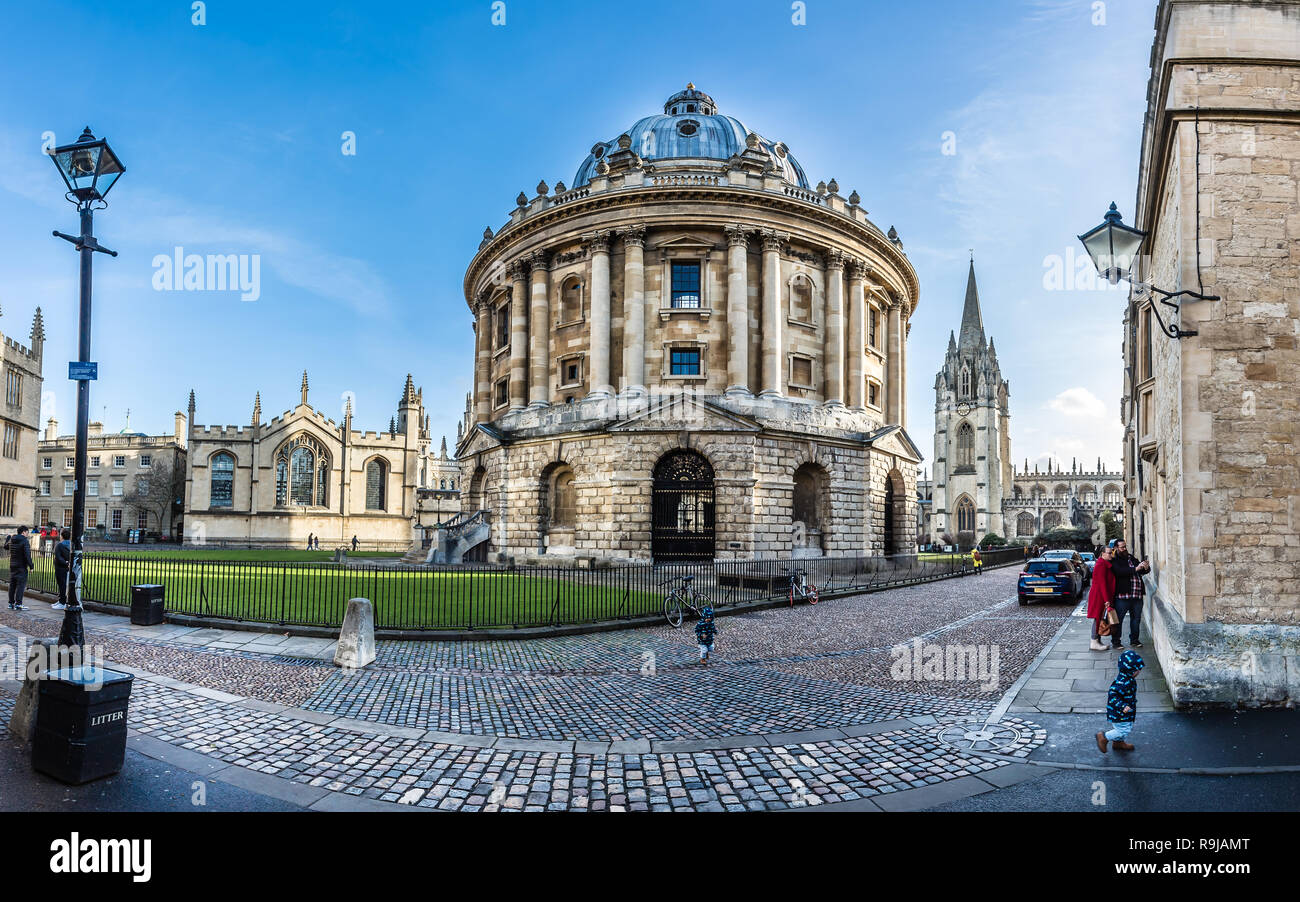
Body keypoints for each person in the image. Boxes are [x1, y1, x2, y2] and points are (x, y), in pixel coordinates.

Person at [1097, 650, 1145, 752]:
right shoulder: (1122, 682)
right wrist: (1122, 706)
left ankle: (1118, 743)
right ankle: (1104, 737)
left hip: (1126, 712)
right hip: (1119, 713)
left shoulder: (1128, 679)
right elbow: (1113, 696)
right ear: (1130, 670)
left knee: (1127, 727)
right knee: (1123, 730)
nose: (1139, 672)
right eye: (1137, 670)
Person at [1109, 539, 1149, 649]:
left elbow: (1141, 571)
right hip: (1123, 596)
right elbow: (1119, 572)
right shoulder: (1114, 560)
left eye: (1125, 546)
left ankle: (1134, 640)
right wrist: (1135, 568)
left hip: (1137, 595)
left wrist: (1145, 567)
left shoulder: (1130, 557)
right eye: (1122, 547)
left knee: (1136, 619)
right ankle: (1116, 642)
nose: (1124, 549)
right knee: (1119, 620)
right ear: (1116, 548)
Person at [1086, 543, 1116, 651]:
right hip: (1099, 596)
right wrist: (1106, 600)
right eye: (1109, 553)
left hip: (1100, 595)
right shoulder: (1101, 565)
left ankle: (1097, 641)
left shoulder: (1104, 563)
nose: (1111, 555)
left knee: (1099, 618)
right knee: (1098, 618)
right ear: (1102, 554)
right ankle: (1094, 642)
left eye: (1111, 552)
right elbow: (1102, 584)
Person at [8, 525, 34, 611]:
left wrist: (8, 537)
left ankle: (11, 603)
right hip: (21, 567)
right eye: (27, 532)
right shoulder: (24, 541)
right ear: (23, 532)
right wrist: (31, 566)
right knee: (20, 586)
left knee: (12, 585)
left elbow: (5, 546)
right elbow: (27, 555)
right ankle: (18, 604)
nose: (27, 534)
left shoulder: (13, 539)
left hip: (13, 565)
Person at [52, 528, 72, 611]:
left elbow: (58, 557)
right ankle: (61, 600)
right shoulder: (71, 545)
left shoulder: (59, 545)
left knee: (61, 585)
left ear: (62, 536)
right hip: (67, 568)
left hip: (60, 568)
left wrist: (65, 563)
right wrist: (68, 563)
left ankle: (62, 603)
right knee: (63, 585)